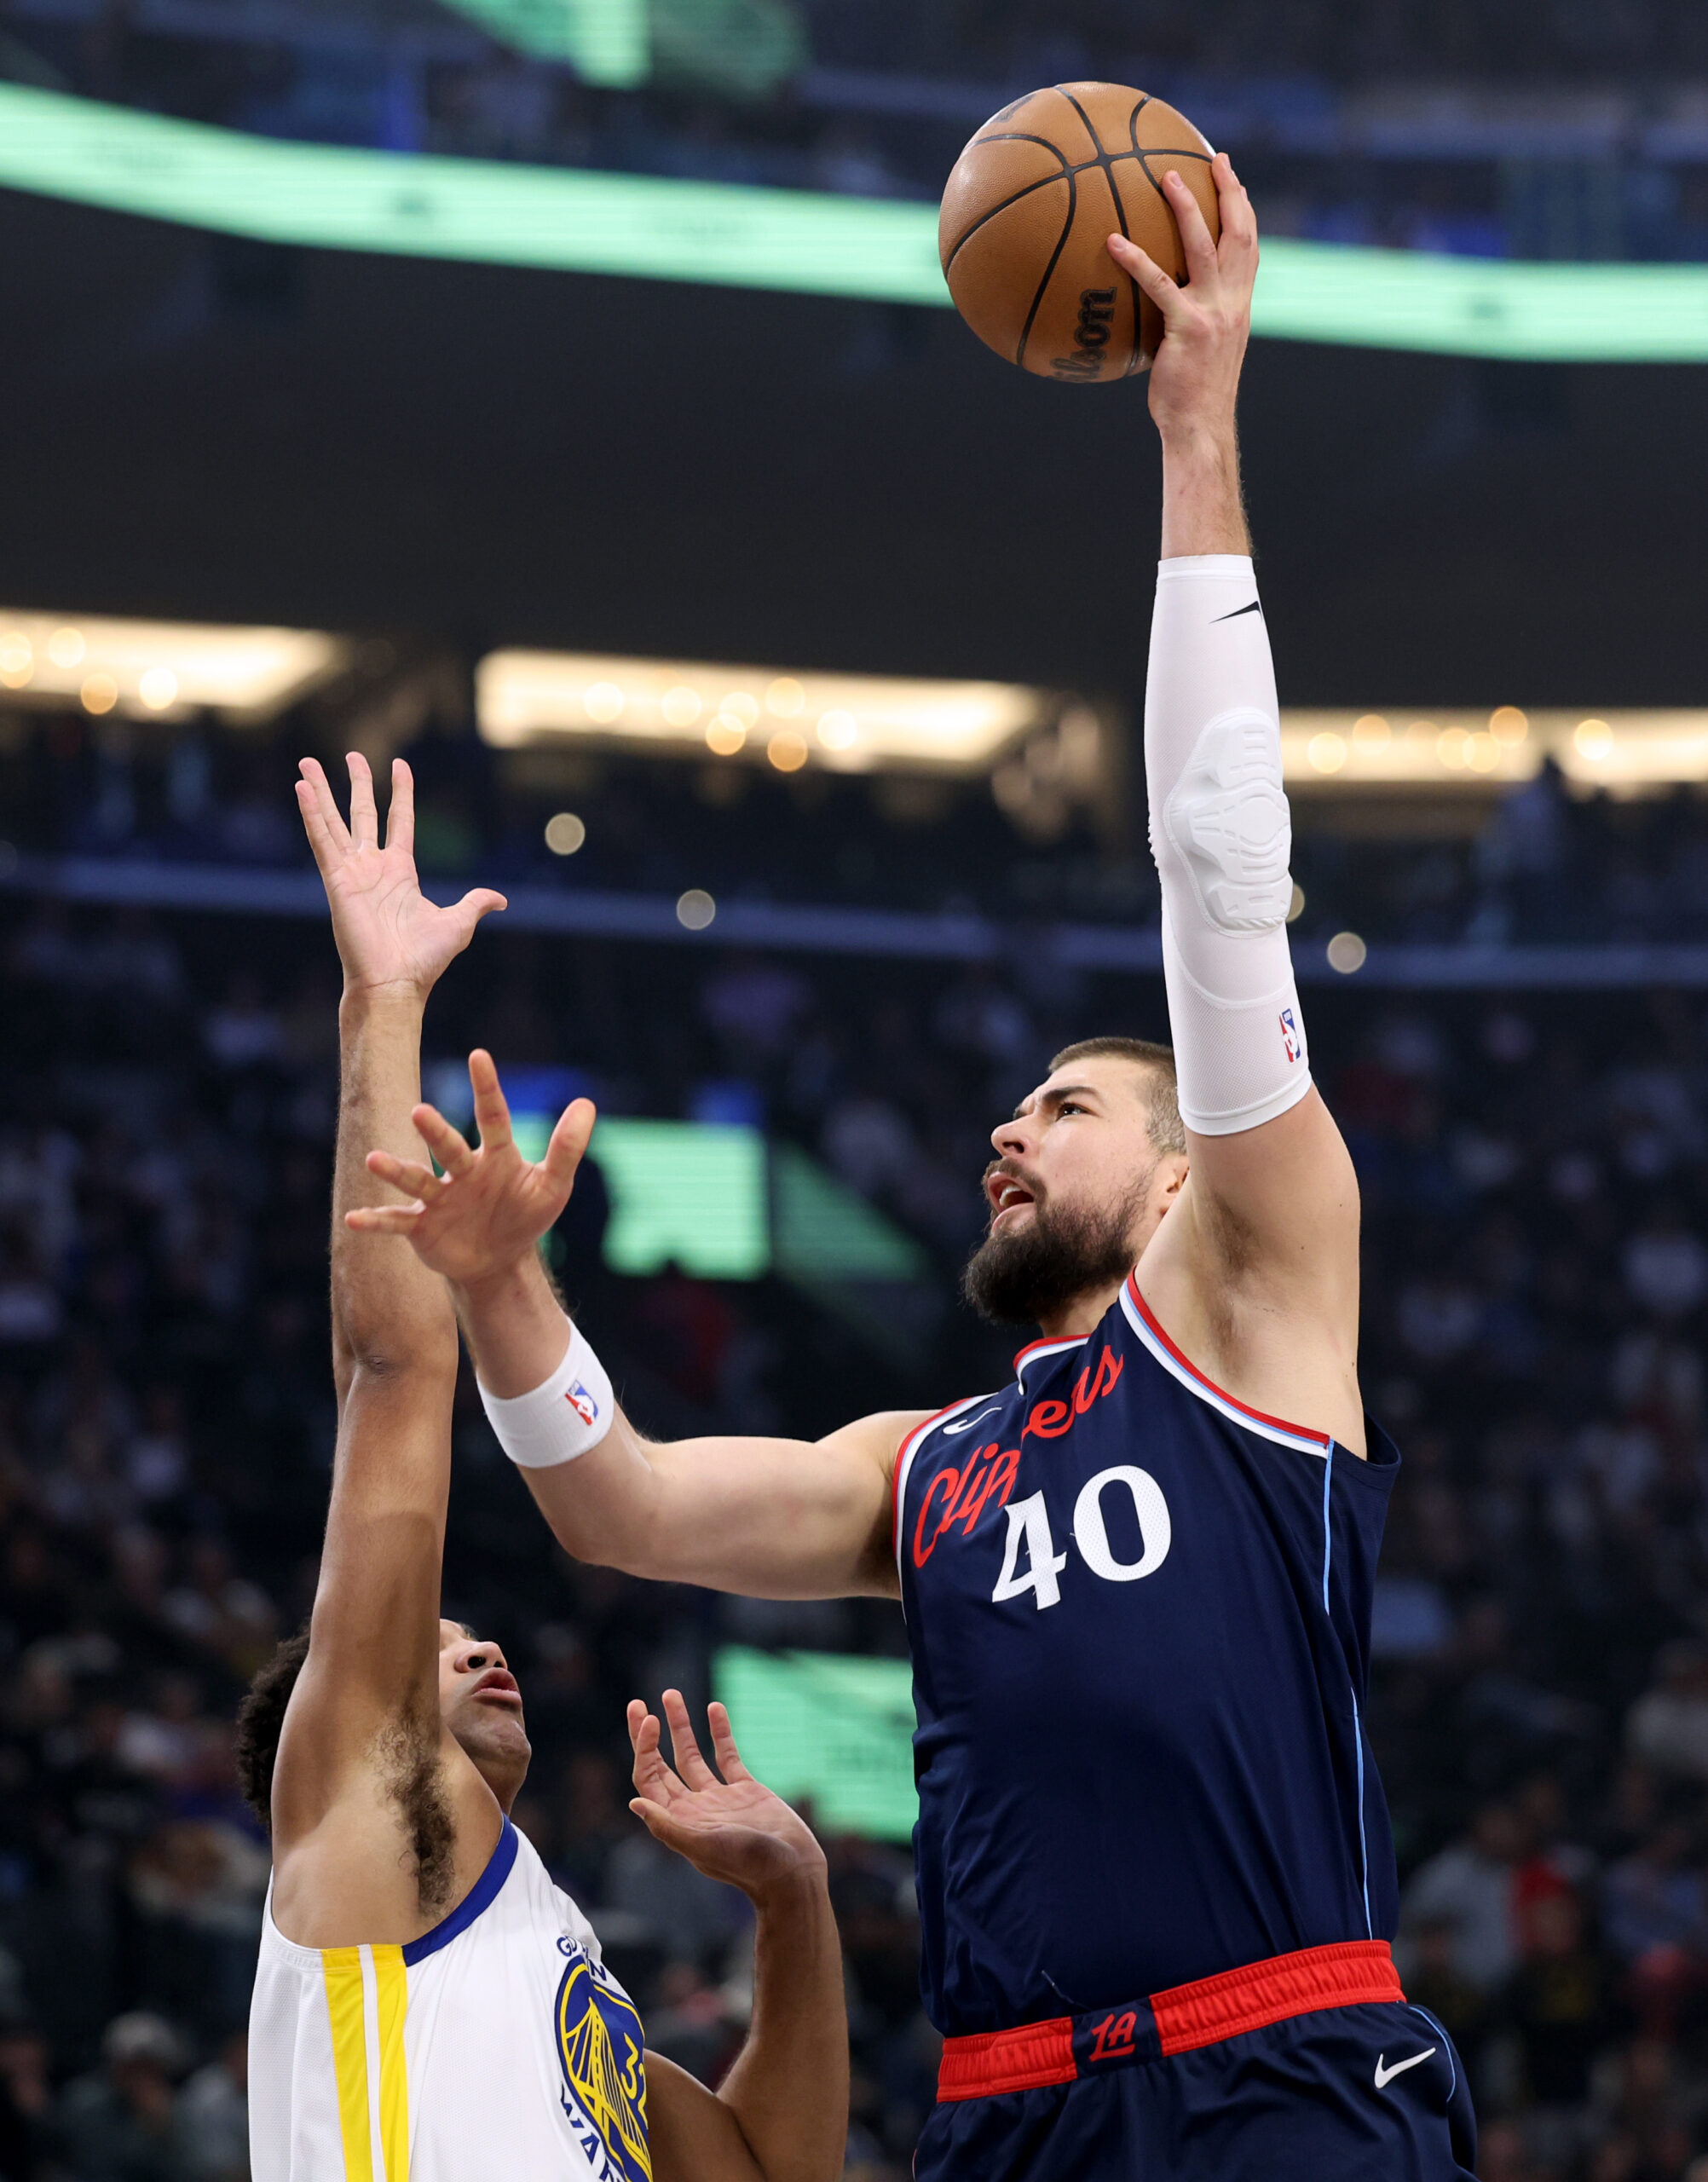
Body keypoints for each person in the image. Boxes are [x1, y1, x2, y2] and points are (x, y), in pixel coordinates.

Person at [349, 158, 1474, 2180]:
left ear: (1186, 1168)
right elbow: (617, 1506)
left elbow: (1221, 883)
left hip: (1274, 2065)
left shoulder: (1262, 1304)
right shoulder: (927, 1465)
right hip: (1006, 2109)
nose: (1006, 1128)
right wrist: (511, 1284)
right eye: (1013, 1103)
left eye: (1068, 1101)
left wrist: (1196, 435)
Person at [241, 753, 847, 2182]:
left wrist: (797, 1904)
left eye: (463, 1638)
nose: (476, 1644)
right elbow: (394, 1378)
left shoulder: (551, 1965)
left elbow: (771, 2175)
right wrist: (384, 1007)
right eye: (436, 1651)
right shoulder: (362, 1814)